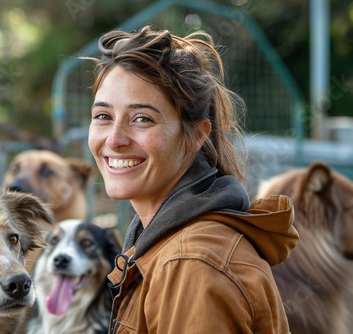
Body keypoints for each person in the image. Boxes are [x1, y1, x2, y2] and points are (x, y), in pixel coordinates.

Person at [85, 26, 298, 333]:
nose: (115, 139)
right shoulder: (162, 245)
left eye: (142, 118)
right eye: (103, 116)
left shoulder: (192, 263)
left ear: (196, 135)